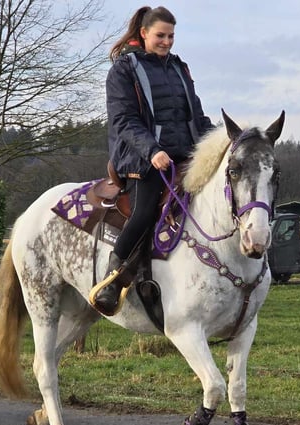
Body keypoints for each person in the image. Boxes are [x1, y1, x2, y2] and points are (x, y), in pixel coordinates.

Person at [89, 5, 214, 316]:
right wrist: (152, 150)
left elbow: (195, 116)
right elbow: (123, 120)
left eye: (171, 36)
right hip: (141, 158)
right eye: (161, 35)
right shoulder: (124, 69)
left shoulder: (179, 68)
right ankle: (112, 280)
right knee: (144, 214)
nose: (167, 42)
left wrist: (221, 141)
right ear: (143, 33)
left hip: (183, 154)